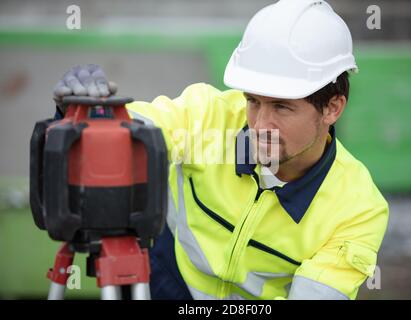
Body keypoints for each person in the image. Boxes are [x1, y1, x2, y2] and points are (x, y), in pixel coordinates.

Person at [53, 0, 388, 300]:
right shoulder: (206, 115)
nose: (259, 125)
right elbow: (124, 134)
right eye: (253, 101)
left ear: (332, 108)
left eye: (282, 108)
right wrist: (83, 116)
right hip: (160, 283)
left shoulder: (358, 211)